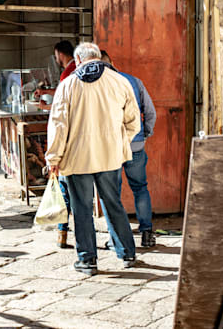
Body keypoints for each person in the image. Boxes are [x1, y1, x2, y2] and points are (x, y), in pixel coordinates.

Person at [46, 42, 140, 276]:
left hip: (78, 158)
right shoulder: (120, 81)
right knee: (113, 203)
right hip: (110, 156)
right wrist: (119, 142)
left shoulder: (68, 85)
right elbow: (134, 122)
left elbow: (58, 126)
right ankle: (127, 252)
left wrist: (53, 158)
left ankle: (87, 260)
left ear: (78, 61)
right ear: (98, 58)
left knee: (82, 209)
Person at [101, 51, 157, 247]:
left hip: (110, 147)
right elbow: (150, 111)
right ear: (112, 62)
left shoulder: (98, 85)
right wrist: (145, 133)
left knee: (111, 194)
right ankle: (147, 233)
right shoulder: (134, 81)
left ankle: (115, 238)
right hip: (136, 144)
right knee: (140, 188)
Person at [34, 41, 77, 250]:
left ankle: (63, 234)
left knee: (65, 190)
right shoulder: (74, 73)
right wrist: (47, 93)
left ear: (60, 53)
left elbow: (62, 107)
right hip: (80, 146)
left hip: (67, 144)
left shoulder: (70, 72)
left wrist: (52, 158)